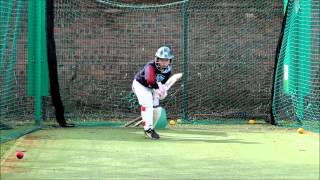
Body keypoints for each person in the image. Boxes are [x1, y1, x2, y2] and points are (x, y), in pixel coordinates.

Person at [132, 46, 174, 140]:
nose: (164, 62)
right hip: (140, 85)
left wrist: (161, 92)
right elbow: (150, 80)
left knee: (155, 107)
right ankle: (148, 130)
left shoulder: (168, 71)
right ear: (157, 59)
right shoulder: (150, 66)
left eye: (166, 60)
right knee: (147, 102)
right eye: (161, 60)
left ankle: (149, 125)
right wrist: (157, 88)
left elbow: (160, 83)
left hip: (152, 87)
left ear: (170, 61)